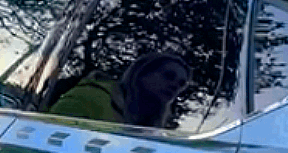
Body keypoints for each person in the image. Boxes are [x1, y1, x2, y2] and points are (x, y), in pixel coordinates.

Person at [49, 52, 191, 128]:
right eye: (168, 76)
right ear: (141, 74)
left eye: (181, 84)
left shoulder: (153, 127)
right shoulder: (91, 96)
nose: (175, 86)